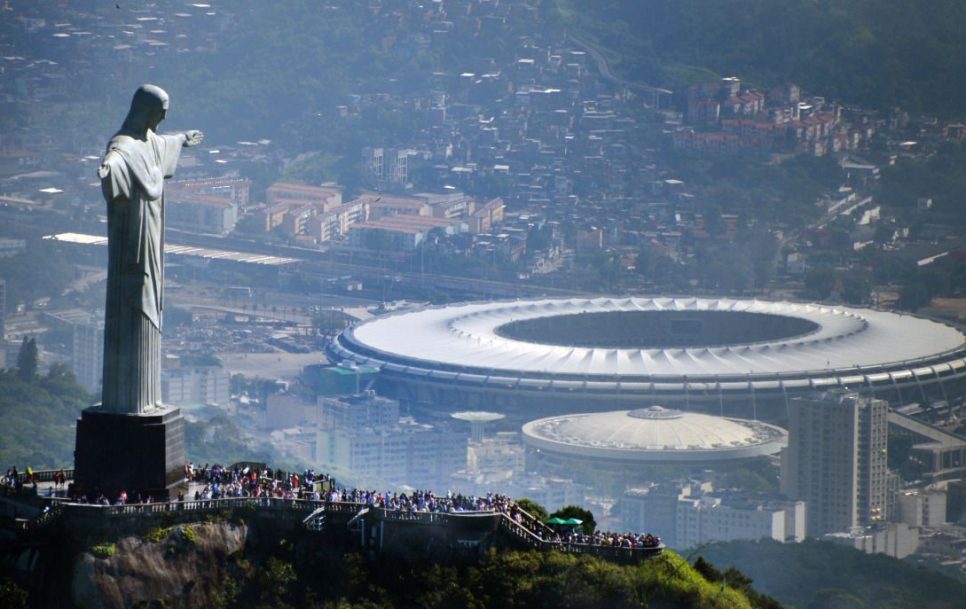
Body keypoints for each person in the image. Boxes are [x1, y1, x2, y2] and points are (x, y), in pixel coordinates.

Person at [98, 84, 203, 414]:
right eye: (161, 112)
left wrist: (183, 138)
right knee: (134, 303)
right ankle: (128, 401)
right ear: (145, 110)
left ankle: (147, 399)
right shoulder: (124, 145)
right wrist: (109, 170)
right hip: (133, 241)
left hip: (153, 239)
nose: (164, 117)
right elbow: (114, 160)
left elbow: (162, 143)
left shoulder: (150, 142)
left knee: (152, 306)